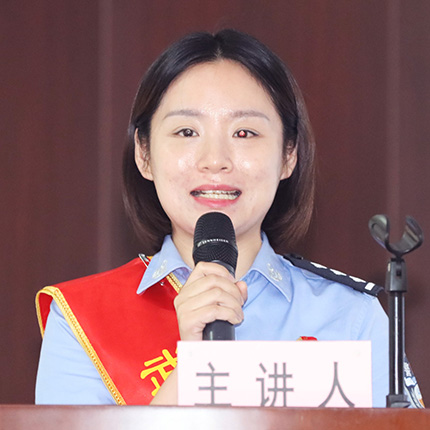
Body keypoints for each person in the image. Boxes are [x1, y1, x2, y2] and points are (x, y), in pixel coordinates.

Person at [35, 29, 423, 407]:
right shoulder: (82, 319)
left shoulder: (352, 317)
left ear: (288, 155)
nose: (215, 160)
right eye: (186, 131)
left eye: (245, 133)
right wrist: (192, 367)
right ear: (144, 154)